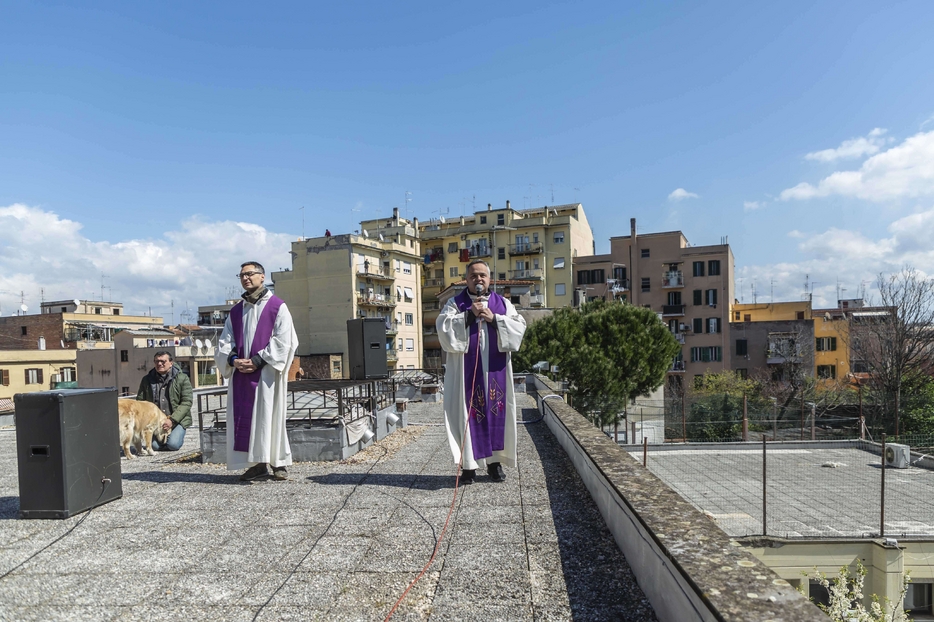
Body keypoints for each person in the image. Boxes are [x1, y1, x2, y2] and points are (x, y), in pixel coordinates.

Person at [436, 259, 526, 484]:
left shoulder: (503, 304)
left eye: (482, 275)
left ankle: (494, 465)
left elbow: (519, 327)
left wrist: (494, 319)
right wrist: (468, 316)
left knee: (497, 412)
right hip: (466, 373)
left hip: (495, 372)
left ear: (489, 279)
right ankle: (468, 468)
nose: (478, 279)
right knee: (467, 415)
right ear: (467, 279)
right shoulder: (456, 304)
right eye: (473, 275)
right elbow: (443, 328)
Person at [215, 261, 299, 481]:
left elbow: (285, 341)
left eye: (250, 274)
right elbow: (225, 342)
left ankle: (277, 462)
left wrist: (257, 360)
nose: (245, 278)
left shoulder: (277, 307)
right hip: (242, 376)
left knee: (270, 417)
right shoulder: (235, 312)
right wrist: (233, 360)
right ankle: (256, 464)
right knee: (248, 420)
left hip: (267, 374)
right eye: (242, 275)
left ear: (262, 277)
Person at [136, 351, 193, 451]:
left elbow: (187, 402)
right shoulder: (147, 380)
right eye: (157, 361)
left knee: (173, 445)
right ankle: (162, 440)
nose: (159, 364)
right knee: (154, 446)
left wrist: (172, 420)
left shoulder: (182, 378)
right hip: (155, 421)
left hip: (177, 420)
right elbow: (140, 402)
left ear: (171, 363)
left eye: (163, 361)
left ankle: (172, 437)